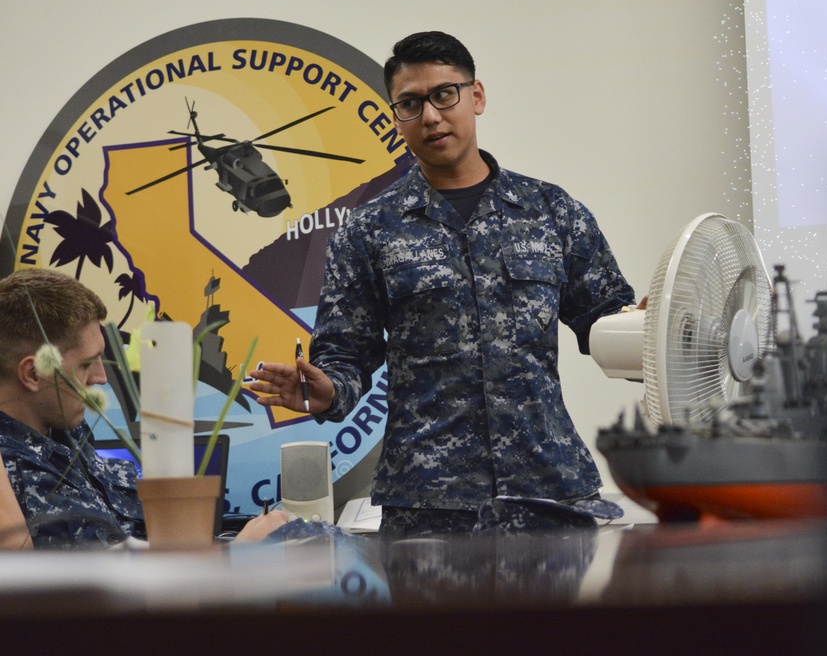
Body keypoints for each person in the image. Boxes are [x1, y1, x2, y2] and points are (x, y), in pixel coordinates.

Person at [250, 31, 636, 538]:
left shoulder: (551, 212)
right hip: (428, 504)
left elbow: (609, 324)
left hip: (550, 490)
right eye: (410, 104)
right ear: (396, 115)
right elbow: (344, 356)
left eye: (443, 95)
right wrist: (327, 392)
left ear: (475, 96)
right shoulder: (368, 231)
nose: (430, 116)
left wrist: (651, 331)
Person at [0, 268, 288, 549]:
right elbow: (109, 589)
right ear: (34, 373)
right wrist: (242, 550)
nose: (101, 377)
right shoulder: (15, 478)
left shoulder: (66, 432)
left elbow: (140, 532)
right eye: (87, 364)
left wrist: (244, 532)